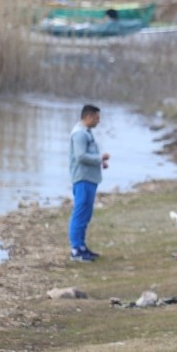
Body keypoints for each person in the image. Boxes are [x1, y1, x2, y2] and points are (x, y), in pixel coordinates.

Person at [68, 104, 109, 262]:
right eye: (97, 118)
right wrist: (99, 158)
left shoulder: (87, 133)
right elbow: (80, 156)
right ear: (89, 116)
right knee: (80, 213)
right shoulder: (79, 134)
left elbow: (87, 155)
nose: (98, 121)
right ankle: (76, 249)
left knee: (86, 214)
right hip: (82, 179)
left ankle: (82, 247)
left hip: (90, 179)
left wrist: (99, 162)